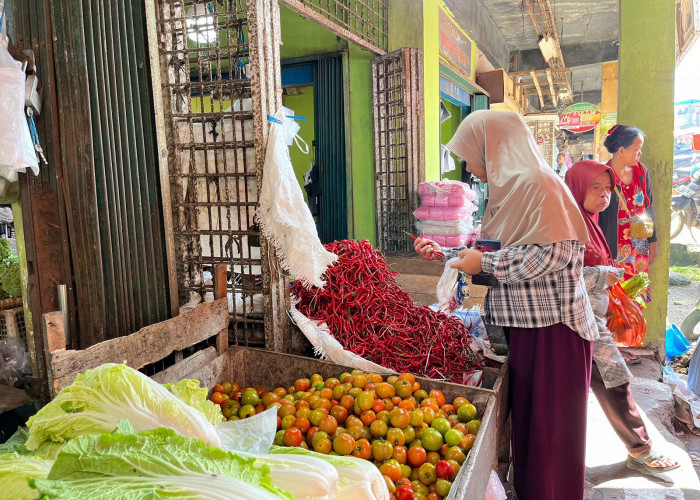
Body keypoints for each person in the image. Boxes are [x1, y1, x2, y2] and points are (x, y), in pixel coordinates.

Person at [415, 110, 597, 500]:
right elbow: (499, 256)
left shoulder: (541, 185)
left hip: (555, 333)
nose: (469, 168)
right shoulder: (509, 194)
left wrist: (483, 262)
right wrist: (451, 254)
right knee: (531, 434)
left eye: (471, 156)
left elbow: (554, 255)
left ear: (495, 148)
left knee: (551, 438)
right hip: (528, 329)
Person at [565, 161, 679, 477]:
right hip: (582, 322)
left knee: (606, 382)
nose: (604, 196)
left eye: (607, 188)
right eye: (594, 188)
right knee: (615, 380)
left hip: (592, 319)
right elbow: (561, 276)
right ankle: (640, 449)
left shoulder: (590, 220)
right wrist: (603, 275)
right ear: (576, 188)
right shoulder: (569, 224)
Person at [598, 125, 657, 285]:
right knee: (616, 294)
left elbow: (649, 207)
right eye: (637, 149)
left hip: (640, 245)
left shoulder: (641, 172)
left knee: (637, 290)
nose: (640, 153)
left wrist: (653, 242)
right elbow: (599, 217)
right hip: (614, 247)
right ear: (621, 150)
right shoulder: (604, 175)